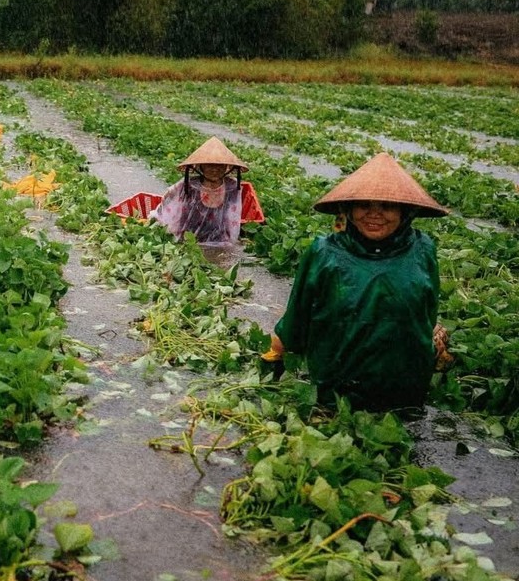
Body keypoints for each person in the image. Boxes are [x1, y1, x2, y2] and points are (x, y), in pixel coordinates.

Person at [265, 152, 449, 411]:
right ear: (348, 210)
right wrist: (280, 349)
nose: (374, 215)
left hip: (405, 391)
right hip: (337, 393)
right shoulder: (324, 253)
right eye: (364, 205)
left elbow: (427, 316)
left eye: (386, 206)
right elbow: (298, 318)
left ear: (405, 211)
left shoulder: (423, 250)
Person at [149, 136, 262, 244]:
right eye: (209, 166)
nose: (214, 170)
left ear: (226, 167)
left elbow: (232, 219)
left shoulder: (231, 187)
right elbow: (168, 200)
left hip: (219, 238)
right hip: (189, 235)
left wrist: (231, 242)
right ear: (201, 167)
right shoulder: (188, 184)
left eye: (220, 166)